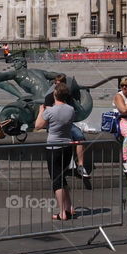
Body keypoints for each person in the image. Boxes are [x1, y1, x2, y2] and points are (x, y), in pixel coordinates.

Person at [34, 82, 76, 220]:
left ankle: (62, 211)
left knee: (56, 181)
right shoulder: (71, 109)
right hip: (68, 147)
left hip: (53, 148)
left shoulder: (50, 111)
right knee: (62, 177)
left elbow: (38, 126)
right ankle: (70, 207)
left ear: (55, 94)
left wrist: (41, 111)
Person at [37, 74, 90, 182]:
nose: (58, 86)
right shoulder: (49, 97)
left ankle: (80, 165)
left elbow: (74, 111)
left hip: (66, 123)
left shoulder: (68, 96)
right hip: (54, 123)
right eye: (57, 84)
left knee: (79, 136)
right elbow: (48, 116)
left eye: (61, 84)